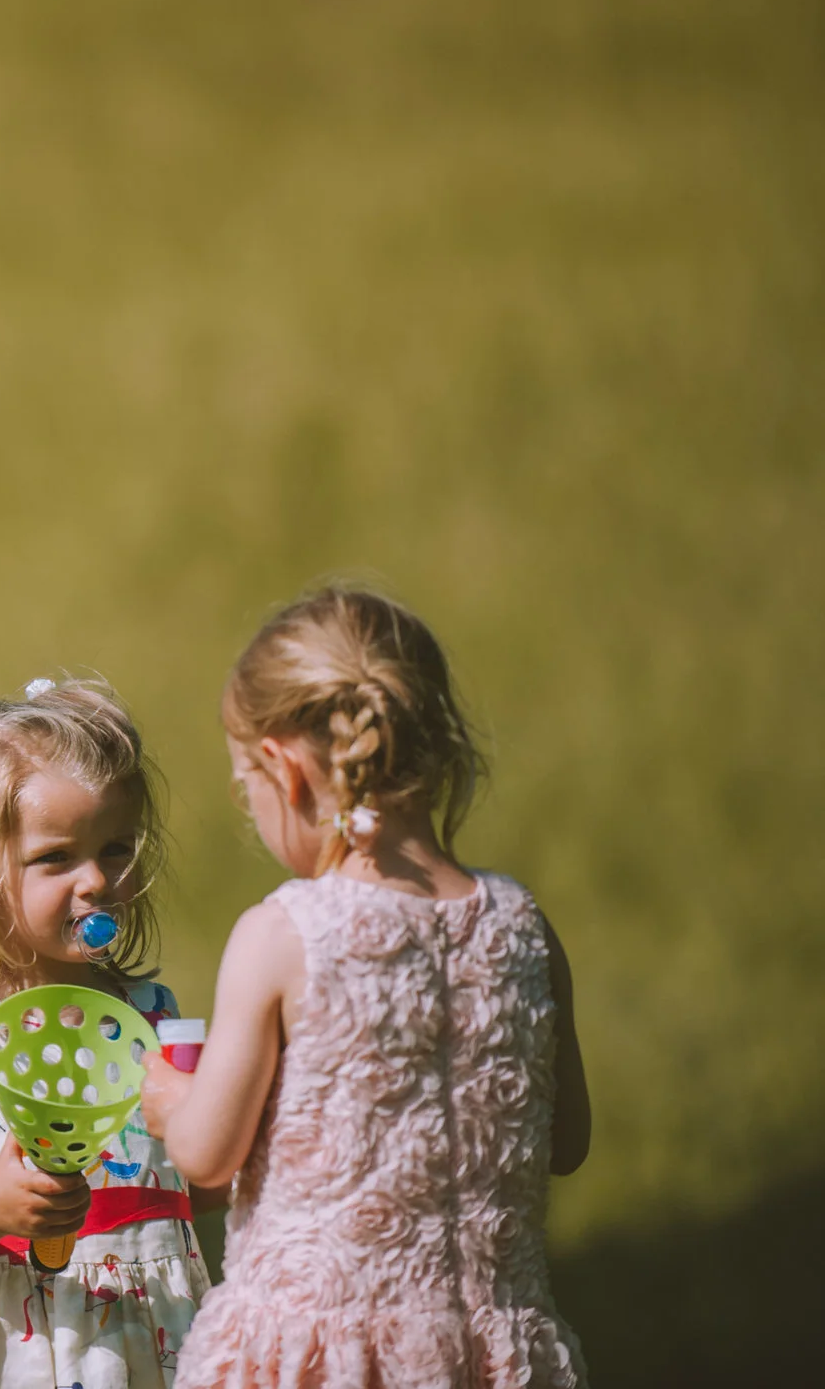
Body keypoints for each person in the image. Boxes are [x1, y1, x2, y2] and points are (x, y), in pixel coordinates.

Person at [141, 587, 591, 1388]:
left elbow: (209, 1152)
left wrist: (169, 1095)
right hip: (489, 1356)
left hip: (316, 1357)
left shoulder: (287, 934)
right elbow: (568, 1140)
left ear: (281, 765)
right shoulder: (524, 925)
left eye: (246, 779)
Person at [0, 677, 217, 1389]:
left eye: (116, 850)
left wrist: (223, 1137)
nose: (96, 881)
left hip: (155, 1340)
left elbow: (189, 1187)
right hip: (22, 1351)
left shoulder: (151, 1015)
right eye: (56, 858)